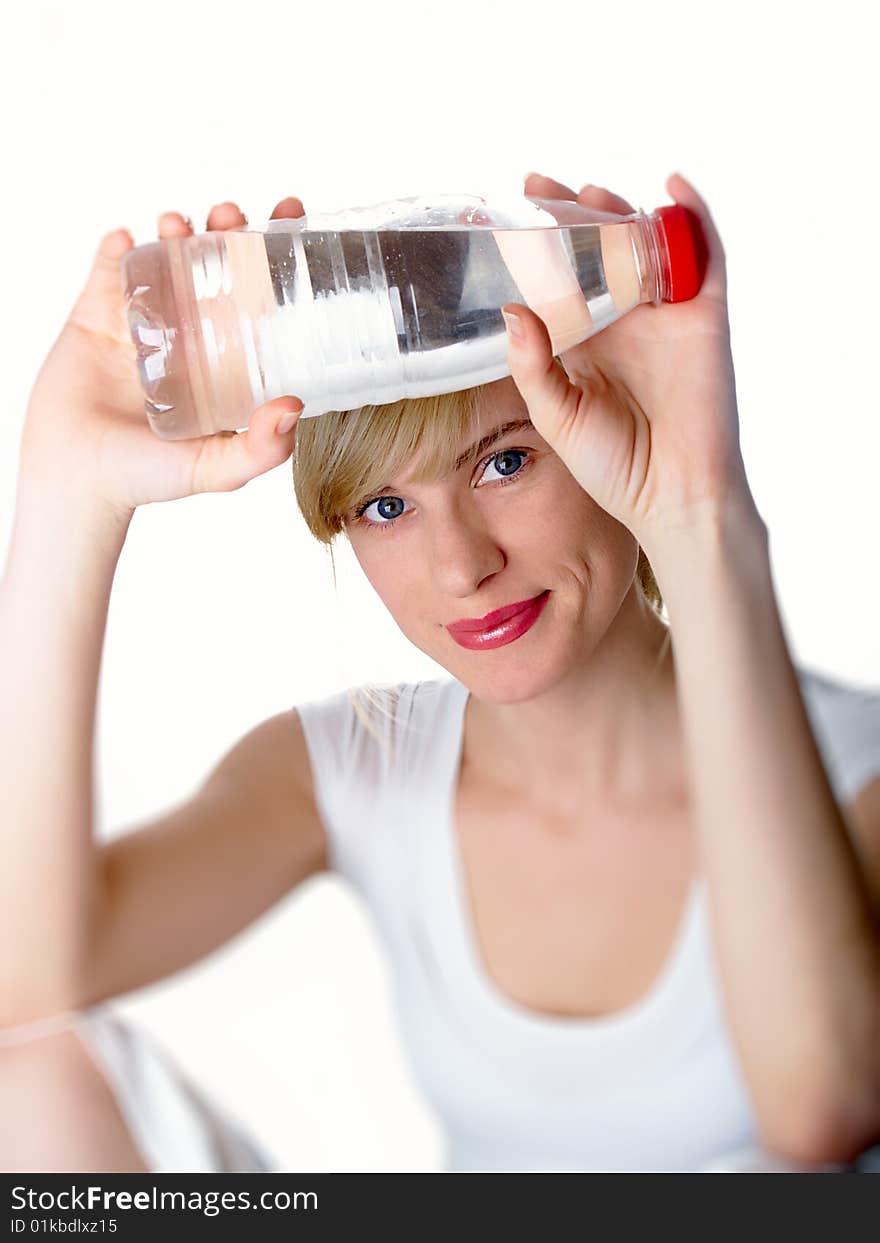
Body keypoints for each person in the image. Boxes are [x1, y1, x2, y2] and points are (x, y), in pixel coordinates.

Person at [1, 173, 878, 1175]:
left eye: (504, 463)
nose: (462, 567)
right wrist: (68, 490)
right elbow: (22, 988)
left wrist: (693, 510)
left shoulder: (853, 772)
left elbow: (822, 1122)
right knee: (33, 1081)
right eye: (385, 507)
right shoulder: (351, 767)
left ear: (598, 439)